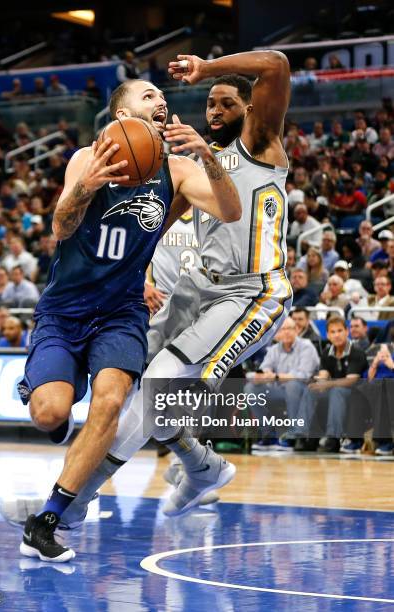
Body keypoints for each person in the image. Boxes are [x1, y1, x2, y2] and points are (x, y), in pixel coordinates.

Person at [53, 50, 292, 533]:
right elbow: (158, 224)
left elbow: (277, 65)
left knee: (162, 384)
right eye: (208, 103)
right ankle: (203, 466)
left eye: (226, 103)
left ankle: (67, 506)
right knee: (142, 387)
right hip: (198, 287)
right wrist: (138, 274)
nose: (214, 111)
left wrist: (207, 68)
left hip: (252, 292)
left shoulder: (261, 142)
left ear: (249, 110)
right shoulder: (182, 160)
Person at [17, 77, 241, 561]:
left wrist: (207, 155)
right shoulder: (88, 157)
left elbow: (230, 207)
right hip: (66, 309)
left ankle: (48, 520)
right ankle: (42, 387)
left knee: (111, 403)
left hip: (121, 314)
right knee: (50, 414)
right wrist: (86, 187)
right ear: (122, 117)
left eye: (163, 96)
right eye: (147, 95)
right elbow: (60, 227)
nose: (161, 100)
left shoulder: (176, 170)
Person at [247, 317, 320, 451]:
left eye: (289, 329)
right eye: (282, 329)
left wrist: (275, 376)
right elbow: (264, 369)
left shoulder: (306, 346)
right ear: (277, 333)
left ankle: (293, 436)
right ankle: (269, 435)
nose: (286, 332)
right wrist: (261, 375)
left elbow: (303, 376)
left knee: (292, 384)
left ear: (297, 330)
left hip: (305, 390)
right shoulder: (274, 349)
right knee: (251, 388)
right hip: (281, 390)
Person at [300, 316, 368, 453]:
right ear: (328, 335)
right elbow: (323, 375)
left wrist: (327, 384)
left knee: (338, 390)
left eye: (339, 331)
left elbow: (351, 380)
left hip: (357, 394)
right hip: (335, 390)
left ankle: (333, 437)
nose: (336, 335)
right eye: (332, 332)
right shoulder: (327, 352)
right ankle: (304, 435)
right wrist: (317, 382)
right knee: (310, 390)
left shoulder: (357, 352)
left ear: (346, 332)